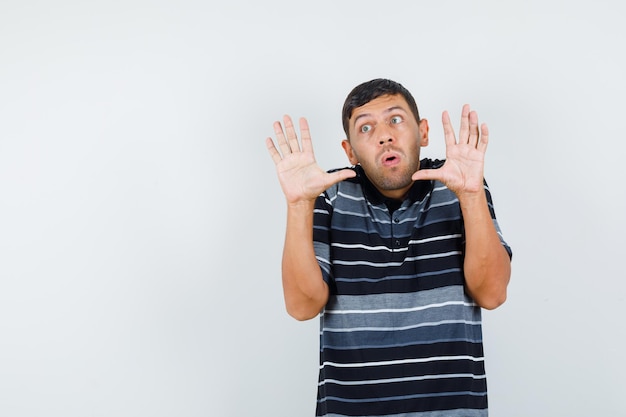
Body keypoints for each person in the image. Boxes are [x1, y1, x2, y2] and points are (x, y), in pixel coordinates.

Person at [265, 78, 512, 417]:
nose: (384, 135)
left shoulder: (460, 185)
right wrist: (297, 204)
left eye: (395, 119)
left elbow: (493, 293)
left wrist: (470, 196)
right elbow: (302, 306)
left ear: (423, 132)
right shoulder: (328, 196)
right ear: (350, 151)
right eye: (365, 127)